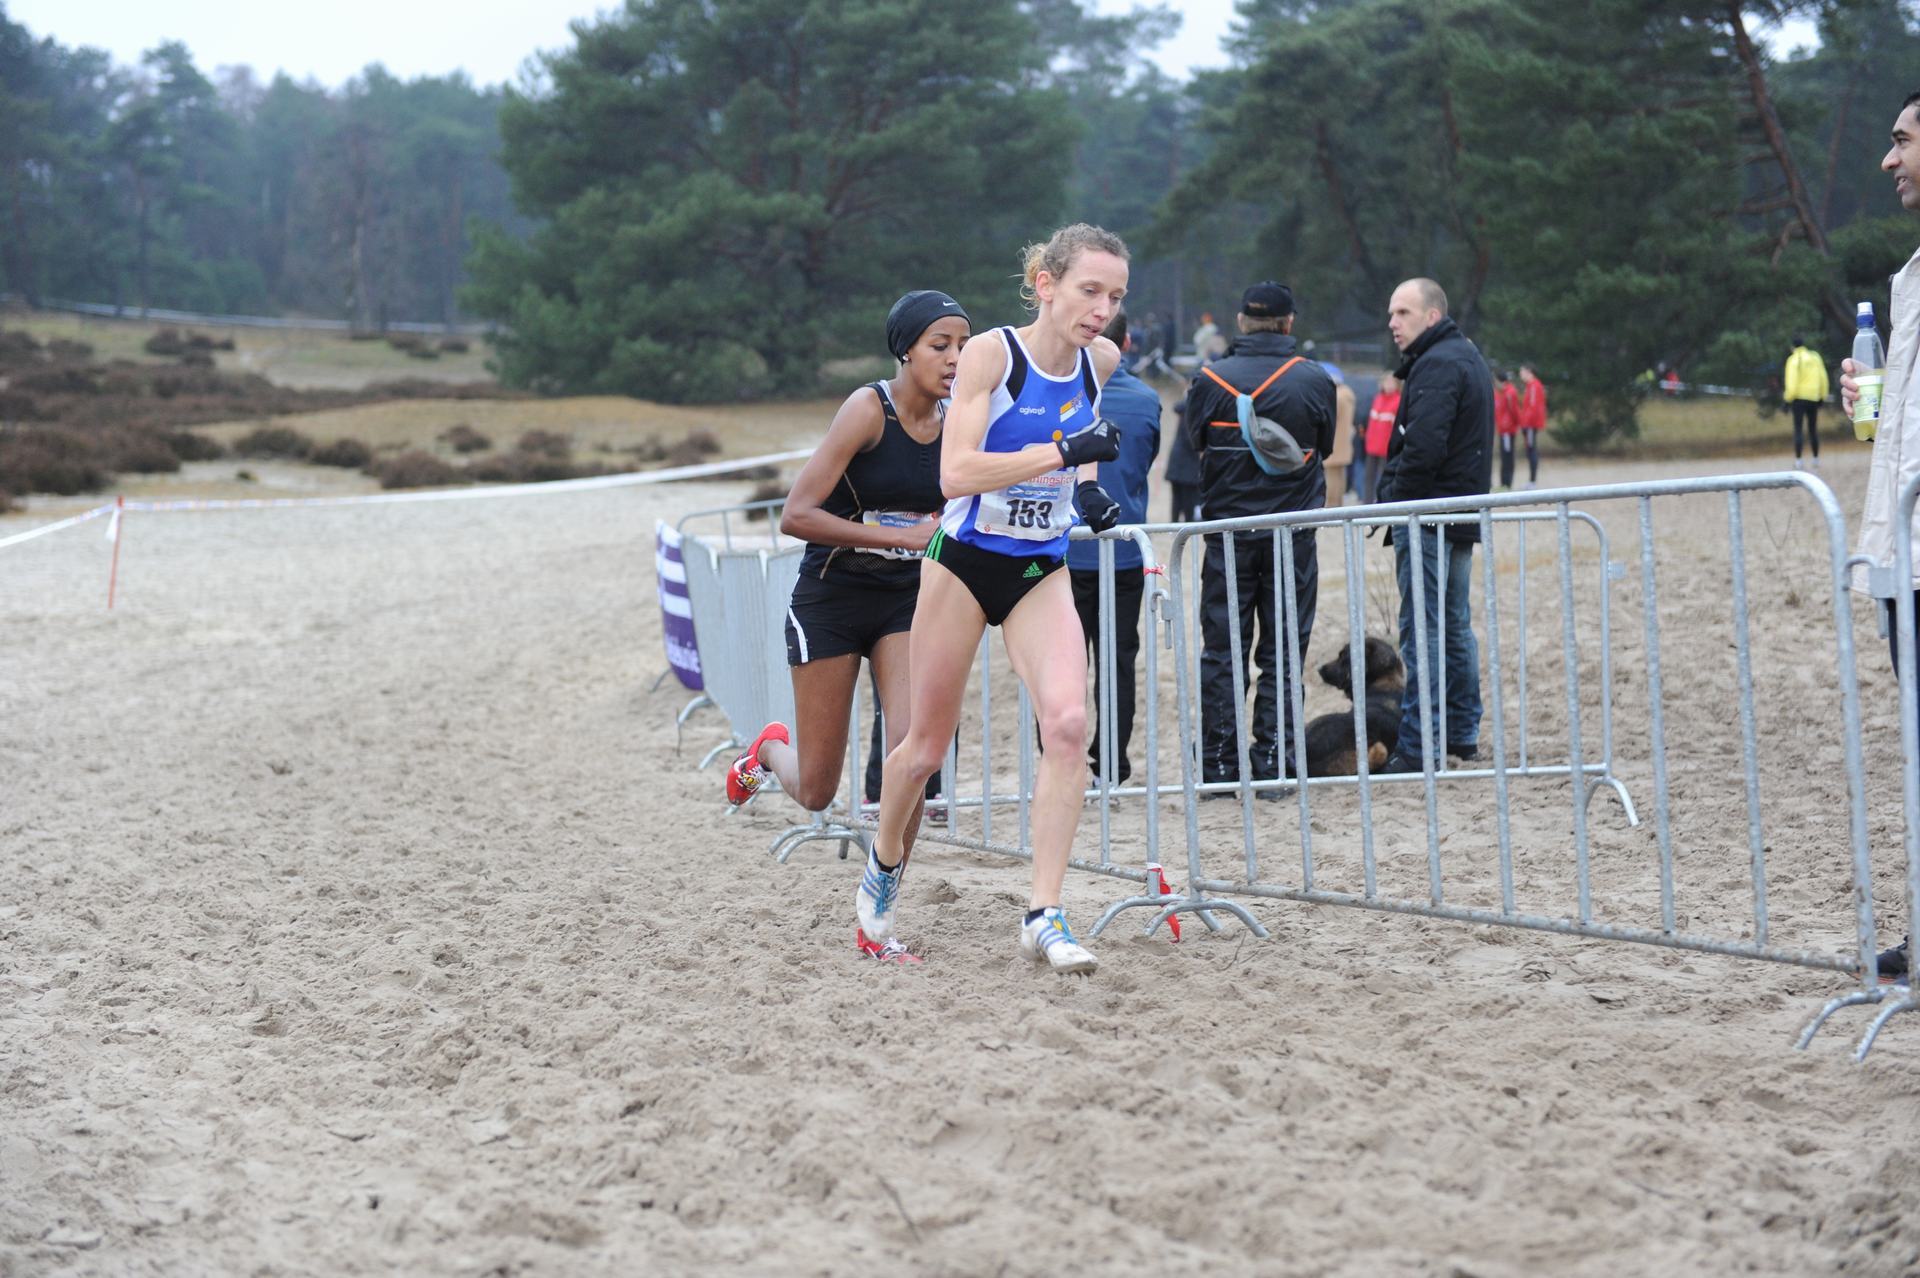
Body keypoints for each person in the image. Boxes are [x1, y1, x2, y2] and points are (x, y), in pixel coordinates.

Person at [863, 223, 1130, 974]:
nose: (1103, 309)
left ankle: (1044, 913)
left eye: (1115, 296)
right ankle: (883, 867)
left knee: (1069, 726)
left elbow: (1081, 435)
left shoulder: (1100, 361)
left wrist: (1087, 490)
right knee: (923, 751)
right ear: (1045, 285)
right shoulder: (992, 355)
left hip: (1038, 567)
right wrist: (1064, 455)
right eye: (1089, 291)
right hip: (963, 563)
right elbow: (956, 473)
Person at [725, 290, 969, 958]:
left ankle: (878, 915)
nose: (954, 358)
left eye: (962, 345)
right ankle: (767, 750)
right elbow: (796, 514)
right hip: (831, 598)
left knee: (914, 755)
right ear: (905, 350)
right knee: (817, 790)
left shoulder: (960, 420)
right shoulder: (868, 410)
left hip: (905, 603)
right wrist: (898, 536)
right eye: (940, 345)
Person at [1182, 281, 1338, 787]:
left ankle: (1219, 765)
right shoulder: (1313, 379)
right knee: (1284, 650)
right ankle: (1274, 761)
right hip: (1291, 535)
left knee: (1222, 652)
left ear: (1241, 322)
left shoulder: (1209, 378)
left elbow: (1196, 442)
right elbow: (1325, 446)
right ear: (1289, 323)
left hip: (1227, 534)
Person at [1843, 89, 1920, 982]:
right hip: (1904, 554)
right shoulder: (1908, 277)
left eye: (1901, 141)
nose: (1888, 160)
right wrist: (1872, 407)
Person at [1376, 277, 1493, 773]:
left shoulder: (1439, 363)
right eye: (1390, 313)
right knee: (1453, 626)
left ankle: (1421, 744)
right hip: (1457, 509)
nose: (1392, 323)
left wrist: (1392, 503)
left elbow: (1423, 449)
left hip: (1428, 513)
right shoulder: (1462, 355)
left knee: (1424, 630)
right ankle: (1461, 734)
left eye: (1403, 312)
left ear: (1432, 315)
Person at [1067, 307, 1162, 784]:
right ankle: (1111, 765)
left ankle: (1060, 762)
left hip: (1063, 553)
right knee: (1118, 660)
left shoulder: (1055, 397)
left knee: (1061, 663)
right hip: (1123, 550)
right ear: (1125, 345)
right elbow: (1145, 463)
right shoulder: (1146, 399)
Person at [1784, 335, 1829, 470]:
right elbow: (1823, 377)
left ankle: (1799, 461)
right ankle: (1815, 459)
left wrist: (1787, 399)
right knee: (1813, 429)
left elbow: (1792, 383)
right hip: (1813, 397)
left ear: (1792, 347)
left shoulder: (1793, 359)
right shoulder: (1815, 357)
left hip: (1799, 399)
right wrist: (1823, 395)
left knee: (1798, 429)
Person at [1362, 371, 1399, 504]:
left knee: (1384, 479)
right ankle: (1366, 504)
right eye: (1386, 382)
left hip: (1386, 447)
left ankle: (1383, 504)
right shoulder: (1377, 398)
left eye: (1391, 382)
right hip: (1372, 446)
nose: (1388, 385)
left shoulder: (1398, 401)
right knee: (1369, 478)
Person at [1166, 400, 1202, 521]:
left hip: (1178, 464)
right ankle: (1182, 526)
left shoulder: (1186, 409)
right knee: (1187, 504)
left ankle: (1174, 526)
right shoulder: (1191, 411)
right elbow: (1191, 440)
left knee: (1177, 501)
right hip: (1187, 467)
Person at [1517, 363, 1547, 487]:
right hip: (1529, 424)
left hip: (1530, 425)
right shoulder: (1530, 386)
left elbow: (1533, 407)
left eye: (1522, 372)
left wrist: (1526, 423)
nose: (1520, 374)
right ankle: (1531, 481)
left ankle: (1532, 481)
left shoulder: (1534, 386)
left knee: (1531, 450)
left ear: (1529, 372)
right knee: (1530, 451)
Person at [1494, 367, 1522, 490]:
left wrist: (1513, 425)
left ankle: (1507, 483)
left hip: (1507, 431)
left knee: (1507, 457)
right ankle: (1503, 483)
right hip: (1503, 429)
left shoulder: (1510, 392)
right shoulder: (1499, 392)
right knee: (1504, 456)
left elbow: (1514, 411)